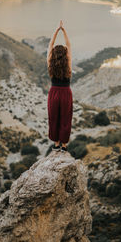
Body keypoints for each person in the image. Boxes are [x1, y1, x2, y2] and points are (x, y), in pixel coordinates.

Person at [47, 20, 73, 152]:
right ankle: (64, 146)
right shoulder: (68, 64)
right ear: (65, 54)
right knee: (65, 117)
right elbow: (68, 44)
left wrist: (57, 30)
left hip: (54, 93)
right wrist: (64, 31)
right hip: (66, 93)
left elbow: (50, 44)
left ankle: (56, 144)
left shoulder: (50, 63)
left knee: (54, 117)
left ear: (53, 55)